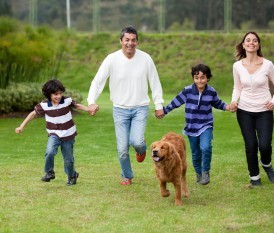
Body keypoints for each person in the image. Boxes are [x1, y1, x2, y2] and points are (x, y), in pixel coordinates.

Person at [87, 26, 164, 186]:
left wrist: (158, 104)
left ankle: (141, 149)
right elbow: (98, 81)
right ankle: (127, 175)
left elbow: (155, 83)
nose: (130, 43)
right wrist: (91, 101)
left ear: (137, 41)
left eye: (133, 40)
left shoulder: (146, 59)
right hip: (120, 109)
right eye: (127, 40)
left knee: (136, 141)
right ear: (121, 41)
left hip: (140, 108)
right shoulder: (111, 59)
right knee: (122, 149)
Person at [161, 64, 230, 185]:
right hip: (191, 127)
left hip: (206, 125)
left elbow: (217, 103)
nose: (200, 80)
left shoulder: (211, 91)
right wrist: (165, 110)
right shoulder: (188, 90)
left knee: (206, 147)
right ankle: (198, 174)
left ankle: (205, 172)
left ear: (207, 78)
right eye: (196, 77)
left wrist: (227, 107)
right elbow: (176, 102)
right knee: (196, 152)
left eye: (203, 77)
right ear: (193, 78)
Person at [231, 31, 274, 187]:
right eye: (248, 40)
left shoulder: (268, 64)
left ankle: (266, 164)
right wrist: (234, 101)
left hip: (264, 111)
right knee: (251, 145)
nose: (251, 43)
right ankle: (254, 178)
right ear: (243, 44)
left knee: (265, 145)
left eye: (255, 40)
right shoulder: (237, 66)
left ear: (258, 45)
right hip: (244, 110)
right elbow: (237, 87)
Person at [15, 79, 89, 186]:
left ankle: (72, 175)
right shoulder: (44, 105)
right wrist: (22, 126)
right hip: (54, 134)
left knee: (68, 160)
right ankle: (49, 172)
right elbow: (32, 114)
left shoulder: (67, 100)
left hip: (68, 134)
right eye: (55, 94)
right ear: (49, 94)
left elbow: (77, 106)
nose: (58, 96)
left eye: (60, 93)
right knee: (49, 152)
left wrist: (88, 109)